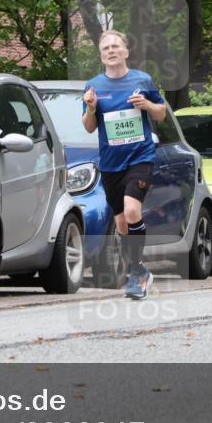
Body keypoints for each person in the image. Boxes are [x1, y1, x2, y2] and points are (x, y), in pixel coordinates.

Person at [82, 29, 168, 300]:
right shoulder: (93, 86)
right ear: (101, 55)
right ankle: (138, 268)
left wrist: (146, 104)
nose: (111, 50)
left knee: (132, 212)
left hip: (140, 157)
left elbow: (162, 113)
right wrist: (92, 108)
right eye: (105, 47)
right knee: (121, 223)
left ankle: (135, 274)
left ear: (126, 51)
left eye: (115, 46)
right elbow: (88, 127)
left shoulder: (143, 81)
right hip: (110, 163)